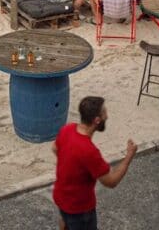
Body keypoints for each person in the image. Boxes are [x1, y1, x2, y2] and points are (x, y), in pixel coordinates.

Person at [52, 96, 136, 230]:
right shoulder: (89, 151)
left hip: (61, 198)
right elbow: (111, 181)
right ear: (97, 120)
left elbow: (55, 148)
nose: (107, 116)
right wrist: (129, 157)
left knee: (65, 221)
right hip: (80, 209)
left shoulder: (67, 129)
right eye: (104, 113)